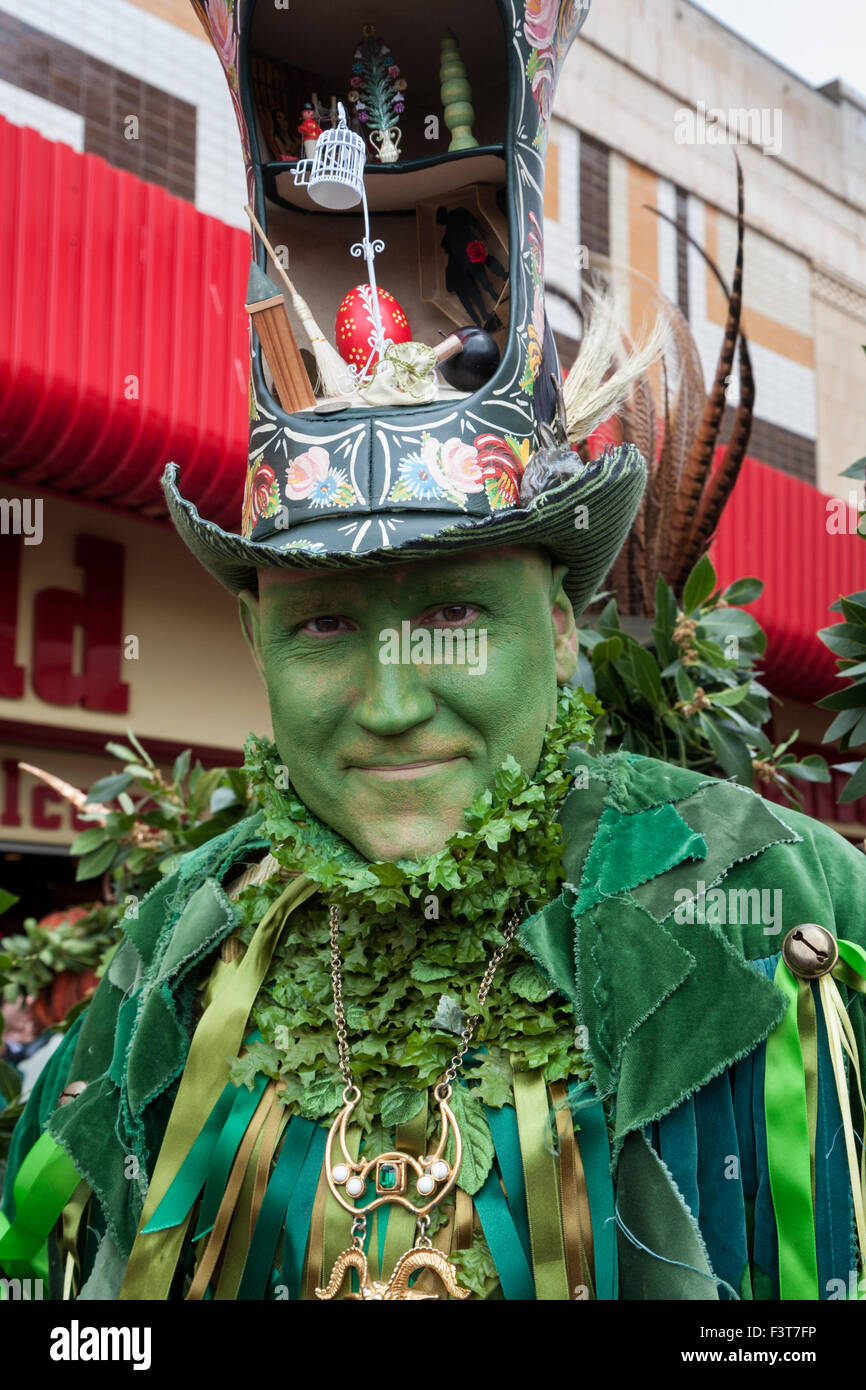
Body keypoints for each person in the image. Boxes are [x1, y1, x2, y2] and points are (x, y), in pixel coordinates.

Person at [2, 0, 865, 1304]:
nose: (393, 703)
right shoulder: (184, 940)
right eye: (324, 624)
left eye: (454, 616)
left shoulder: (777, 890)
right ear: (252, 637)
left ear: (560, 622)